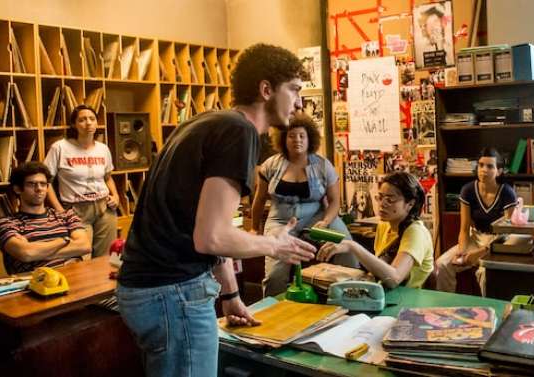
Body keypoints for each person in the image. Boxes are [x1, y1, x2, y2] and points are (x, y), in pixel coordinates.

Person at [116, 44, 317, 377]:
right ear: (266, 90)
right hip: (172, 292)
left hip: (149, 290)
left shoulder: (208, 123)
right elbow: (212, 237)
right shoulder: (239, 133)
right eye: (294, 89)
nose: (299, 102)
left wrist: (231, 295)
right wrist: (274, 244)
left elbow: (202, 221)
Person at [251, 113, 357, 297]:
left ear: (310, 139)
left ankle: (350, 296)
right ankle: (273, 311)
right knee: (275, 275)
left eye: (302, 136)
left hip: (317, 216)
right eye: (291, 136)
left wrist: (325, 221)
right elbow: (259, 199)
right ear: (284, 139)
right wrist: (254, 229)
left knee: (348, 249)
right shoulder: (270, 165)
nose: (297, 140)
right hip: (280, 220)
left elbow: (334, 202)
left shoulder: (324, 166)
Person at [316, 172, 434, 289]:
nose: (382, 204)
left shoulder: (416, 231)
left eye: (390, 200)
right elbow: (380, 270)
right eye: (380, 197)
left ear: (410, 204)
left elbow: (394, 278)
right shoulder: (384, 225)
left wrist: (352, 246)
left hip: (409, 301)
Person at [436, 148, 516, 294]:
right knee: (442, 264)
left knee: (484, 273)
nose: (484, 170)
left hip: (497, 242)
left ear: (499, 171)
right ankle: (446, 308)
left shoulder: (507, 193)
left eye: (490, 166)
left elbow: (506, 234)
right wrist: (462, 252)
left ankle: (485, 312)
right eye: (481, 165)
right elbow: (464, 229)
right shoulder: (468, 190)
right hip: (475, 236)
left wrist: (478, 254)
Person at [44, 105, 119, 257]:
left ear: (97, 123)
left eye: (92, 119)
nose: (88, 123)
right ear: (74, 124)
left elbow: (107, 177)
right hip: (76, 210)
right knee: (81, 258)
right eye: (82, 120)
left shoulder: (103, 149)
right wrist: (59, 210)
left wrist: (116, 196)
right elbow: (46, 181)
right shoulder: (60, 148)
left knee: (107, 258)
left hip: (105, 208)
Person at [0, 162, 91, 274]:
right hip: (38, 285)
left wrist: (38, 252)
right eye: (31, 184)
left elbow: (85, 246)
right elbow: (26, 253)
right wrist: (64, 240)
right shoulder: (7, 223)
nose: (39, 189)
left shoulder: (66, 216)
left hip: (76, 277)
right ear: (18, 189)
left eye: (43, 184)